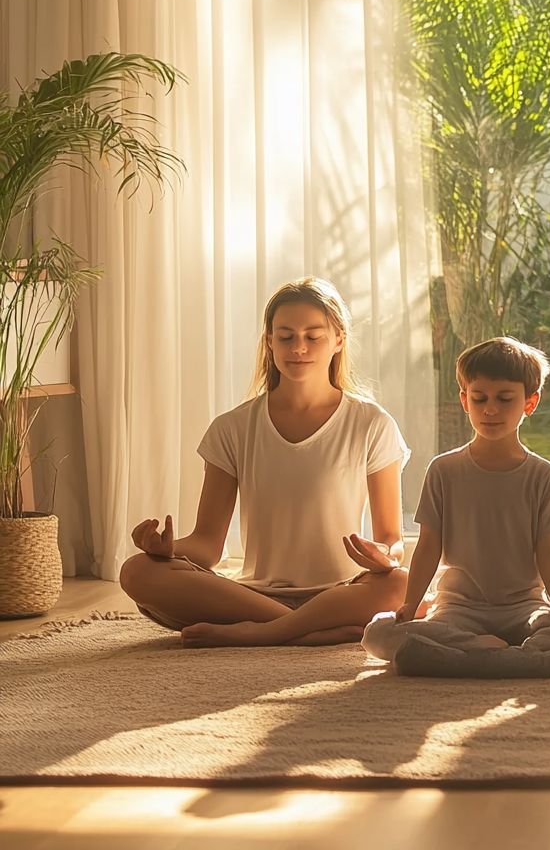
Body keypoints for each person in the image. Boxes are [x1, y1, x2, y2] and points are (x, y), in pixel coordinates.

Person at [120, 277, 412, 647]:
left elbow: (391, 541)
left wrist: (383, 556)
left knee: (400, 583)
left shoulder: (372, 423)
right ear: (269, 342)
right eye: (286, 336)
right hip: (255, 597)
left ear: (338, 340)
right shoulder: (233, 428)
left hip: (342, 593)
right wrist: (165, 550)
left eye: (313, 336)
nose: (299, 347)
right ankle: (303, 630)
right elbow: (208, 546)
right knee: (137, 572)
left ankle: (265, 632)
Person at [362, 337, 550, 677]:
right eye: (479, 398)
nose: (490, 409)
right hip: (458, 609)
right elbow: (428, 545)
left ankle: (468, 657)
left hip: (525, 609)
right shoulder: (443, 470)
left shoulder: (544, 475)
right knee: (378, 633)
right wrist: (410, 604)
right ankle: (518, 657)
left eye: (505, 399)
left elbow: (549, 550)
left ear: (530, 402)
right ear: (465, 400)